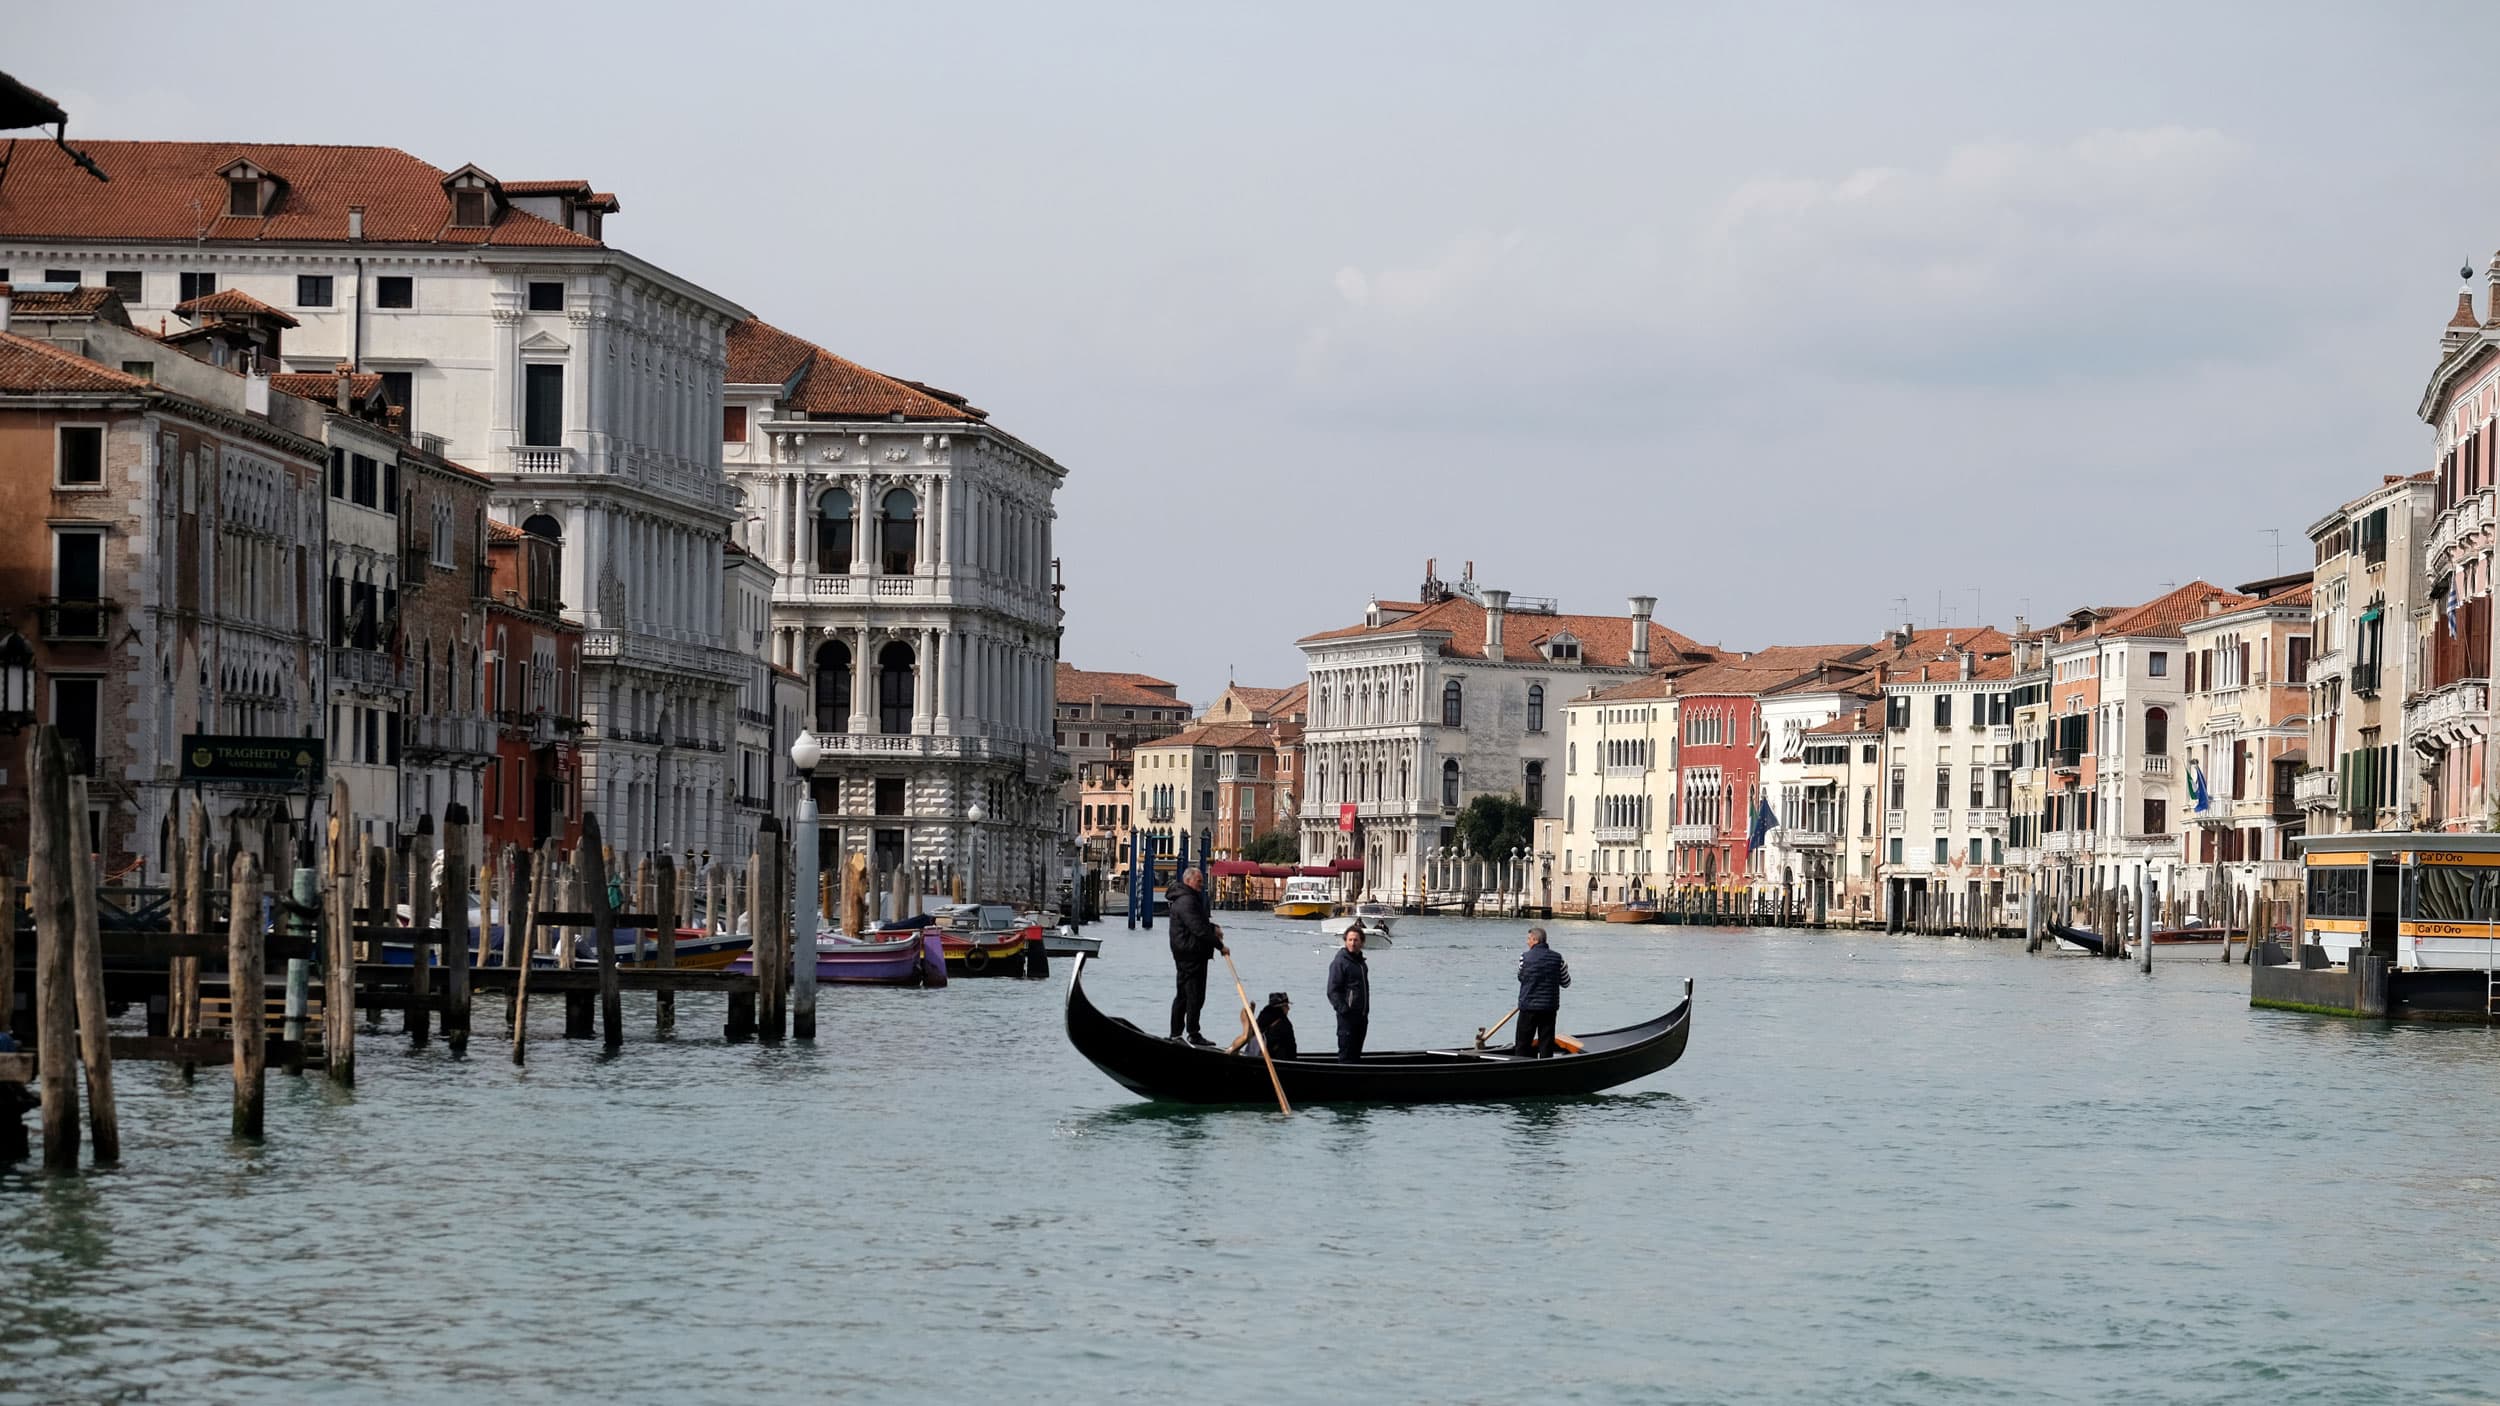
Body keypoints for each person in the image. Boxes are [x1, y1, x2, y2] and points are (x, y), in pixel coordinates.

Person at [1165, 866, 1228, 1046]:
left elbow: (1200, 923)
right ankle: (1189, 1033)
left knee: (1187, 995)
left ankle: (1181, 1033)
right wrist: (1220, 946)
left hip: (1188, 952)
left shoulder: (1188, 899)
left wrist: (1213, 928)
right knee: (1193, 995)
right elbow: (1198, 928)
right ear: (1188, 881)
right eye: (1199, 881)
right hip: (1190, 953)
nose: (1201, 884)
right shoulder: (1187, 901)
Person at [1514, 926, 1572, 1058]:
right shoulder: (1558, 958)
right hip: (1548, 1008)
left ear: (1535, 940)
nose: (1527, 942)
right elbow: (1566, 983)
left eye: (1529, 939)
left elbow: (1521, 977)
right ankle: (1545, 1068)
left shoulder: (1525, 957)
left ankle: (1520, 1067)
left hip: (1528, 1006)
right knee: (1546, 1043)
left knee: (1523, 1043)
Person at [1326, 920, 1369, 1062]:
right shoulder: (1340, 962)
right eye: (1350, 940)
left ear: (1362, 942)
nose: (1352, 943)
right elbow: (1332, 991)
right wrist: (1344, 1010)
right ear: (1345, 941)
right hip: (1347, 1018)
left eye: (1356, 940)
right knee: (1346, 1055)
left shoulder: (1361, 963)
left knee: (1356, 1056)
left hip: (1361, 1017)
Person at [1230, 991, 1298, 1059]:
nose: (1288, 1008)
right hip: (1275, 1058)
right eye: (1286, 1006)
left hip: (1258, 1054)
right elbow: (1291, 1051)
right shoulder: (1284, 1024)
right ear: (1279, 1007)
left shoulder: (1263, 1016)